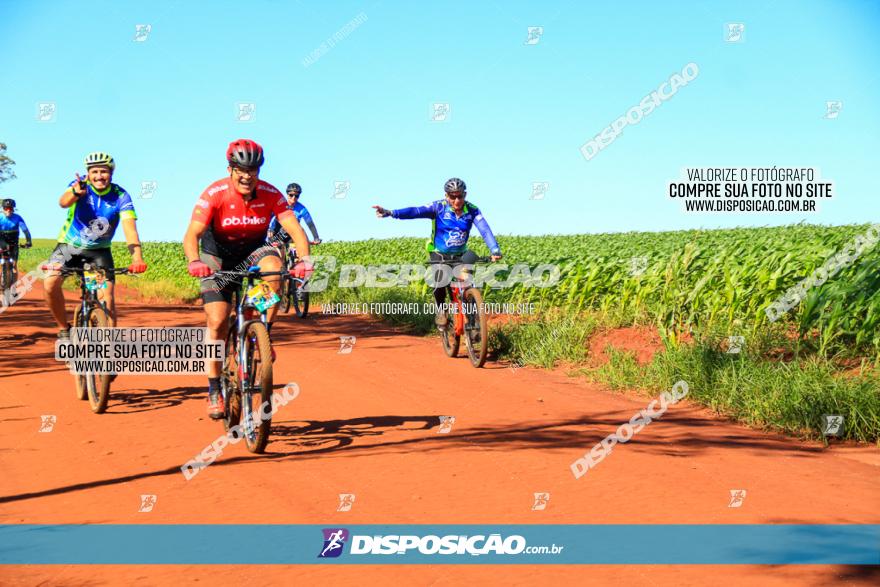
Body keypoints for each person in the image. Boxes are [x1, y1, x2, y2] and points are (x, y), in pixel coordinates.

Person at [183, 139, 311, 419]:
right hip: (217, 254)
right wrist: (194, 261)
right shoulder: (214, 193)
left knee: (274, 269)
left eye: (252, 170)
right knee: (217, 321)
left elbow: (295, 229)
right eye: (240, 169)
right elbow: (191, 234)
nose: (246, 175)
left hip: (254, 249)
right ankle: (214, 389)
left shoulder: (270, 193)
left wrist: (304, 260)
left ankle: (262, 331)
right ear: (230, 169)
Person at [373, 177, 502, 328]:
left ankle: (473, 323)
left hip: (461, 254)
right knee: (441, 281)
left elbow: (484, 229)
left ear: (465, 195)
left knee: (469, 285)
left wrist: (494, 250)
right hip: (439, 253)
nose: (457, 200)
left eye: (460, 196)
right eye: (452, 196)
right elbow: (415, 211)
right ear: (446, 196)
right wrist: (391, 212)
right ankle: (441, 310)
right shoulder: (438, 207)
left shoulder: (472, 209)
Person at [44, 152, 147, 336]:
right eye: (95, 172)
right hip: (68, 247)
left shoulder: (121, 195)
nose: (99, 176)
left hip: (99, 252)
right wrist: (76, 193)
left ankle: (108, 349)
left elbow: (130, 230)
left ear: (111, 173)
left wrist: (137, 258)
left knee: (106, 297)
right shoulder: (80, 186)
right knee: (50, 283)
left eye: (104, 172)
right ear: (88, 174)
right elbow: (63, 202)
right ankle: (64, 330)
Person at [266, 182, 322, 251]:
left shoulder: (302, 209)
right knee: (279, 250)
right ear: (287, 194)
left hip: (291, 234)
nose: (293, 198)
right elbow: (267, 219)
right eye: (291, 195)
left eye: (296, 196)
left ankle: (295, 259)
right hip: (276, 233)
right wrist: (269, 230)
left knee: (298, 249)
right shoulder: (279, 204)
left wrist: (316, 237)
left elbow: (310, 224)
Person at [0, 198, 32, 275]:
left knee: (14, 251)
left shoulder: (18, 218)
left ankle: (14, 266)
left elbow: (25, 231)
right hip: (1, 238)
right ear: (3, 209)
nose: (8, 210)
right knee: (2, 248)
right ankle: (2, 267)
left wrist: (28, 241)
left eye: (10, 208)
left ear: (13, 209)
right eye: (6, 208)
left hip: (13, 238)